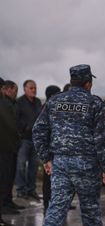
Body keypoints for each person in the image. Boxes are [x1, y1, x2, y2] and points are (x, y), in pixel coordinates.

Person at [32, 64, 105, 226]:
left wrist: (46, 158)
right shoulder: (94, 103)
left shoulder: (54, 101)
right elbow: (102, 139)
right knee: (90, 208)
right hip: (86, 163)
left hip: (60, 163)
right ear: (89, 83)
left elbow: (38, 130)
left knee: (56, 208)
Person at [15, 79, 42, 201]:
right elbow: (15, 118)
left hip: (36, 139)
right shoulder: (19, 102)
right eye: (31, 88)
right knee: (20, 165)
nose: (34, 90)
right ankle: (21, 190)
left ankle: (31, 190)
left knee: (34, 166)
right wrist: (25, 127)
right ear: (24, 89)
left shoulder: (37, 102)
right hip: (24, 140)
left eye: (35, 88)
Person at [0, 80, 21, 226]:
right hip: (4, 148)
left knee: (7, 179)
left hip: (8, 147)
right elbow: (9, 126)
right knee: (3, 179)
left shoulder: (7, 103)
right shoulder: (3, 104)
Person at [40, 85, 61, 214]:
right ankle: (48, 206)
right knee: (49, 180)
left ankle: (51, 206)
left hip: (51, 149)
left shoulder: (49, 107)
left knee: (53, 180)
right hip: (50, 150)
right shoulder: (49, 108)